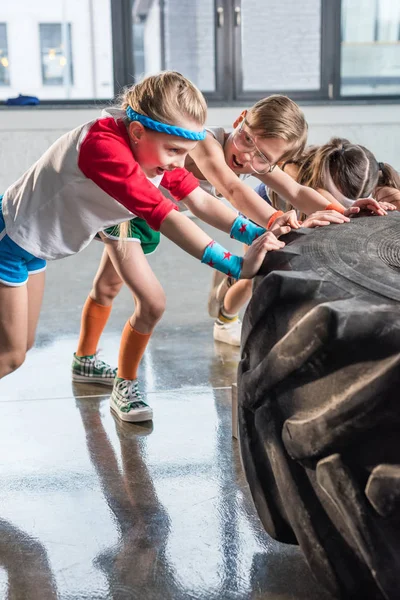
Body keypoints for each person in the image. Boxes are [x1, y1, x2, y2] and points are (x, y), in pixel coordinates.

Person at [0, 71, 286, 419]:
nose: (181, 163)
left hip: (35, 251)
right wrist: (237, 267)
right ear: (137, 132)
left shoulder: (146, 141)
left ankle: (84, 362)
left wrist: (261, 236)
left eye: (186, 152)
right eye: (175, 151)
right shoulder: (104, 148)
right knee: (11, 356)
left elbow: (199, 201)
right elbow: (167, 216)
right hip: (9, 243)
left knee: (22, 347)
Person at [184, 100, 385, 345]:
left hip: (149, 208)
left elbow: (297, 192)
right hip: (131, 202)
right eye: (247, 139)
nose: (247, 155)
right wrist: (277, 219)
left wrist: (346, 211)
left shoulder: (253, 159)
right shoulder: (205, 141)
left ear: (274, 162)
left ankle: (227, 290)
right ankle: (225, 313)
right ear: (239, 120)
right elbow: (232, 189)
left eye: (262, 157)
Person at [215, 136, 397, 345]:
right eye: (331, 199)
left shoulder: (376, 182)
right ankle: (225, 320)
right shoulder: (292, 170)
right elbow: (291, 223)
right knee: (256, 273)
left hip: (305, 215)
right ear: (319, 185)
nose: (336, 205)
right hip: (268, 210)